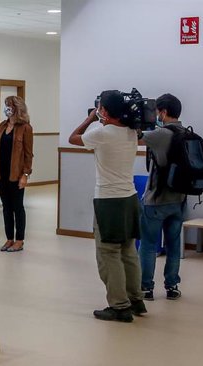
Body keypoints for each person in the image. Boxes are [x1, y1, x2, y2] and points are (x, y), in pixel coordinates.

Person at [68, 89, 146, 322]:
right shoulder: (132, 132)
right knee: (129, 251)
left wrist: (90, 118)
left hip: (109, 200)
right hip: (130, 198)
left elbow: (73, 138)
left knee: (108, 253)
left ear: (104, 110)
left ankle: (119, 306)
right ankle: (135, 299)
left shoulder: (102, 133)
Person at [137, 93, 186, 301]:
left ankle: (146, 287)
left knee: (148, 244)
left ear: (163, 112)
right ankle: (172, 286)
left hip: (156, 199)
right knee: (174, 245)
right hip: (180, 200)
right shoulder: (187, 133)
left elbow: (135, 137)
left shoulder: (160, 135)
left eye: (157, 112)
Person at [0, 96, 33, 253]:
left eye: (9, 105)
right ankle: (9, 238)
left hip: (16, 173)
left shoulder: (25, 128)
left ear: (17, 108)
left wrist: (25, 174)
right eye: (6, 105)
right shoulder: (2, 126)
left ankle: (19, 240)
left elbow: (28, 154)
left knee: (17, 207)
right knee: (6, 207)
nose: (7, 108)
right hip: (1, 173)